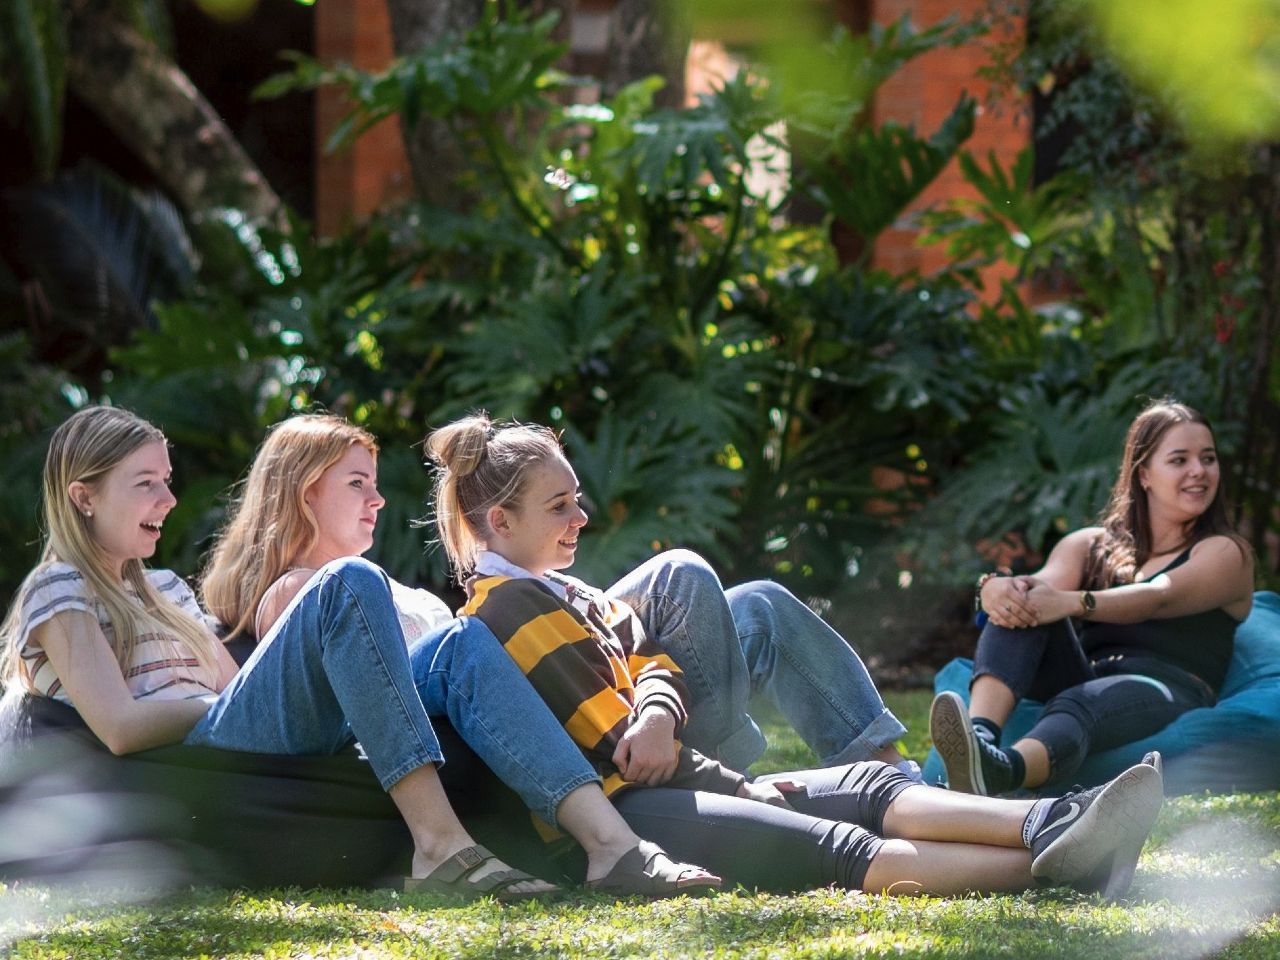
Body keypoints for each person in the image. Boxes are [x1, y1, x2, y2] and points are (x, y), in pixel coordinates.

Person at [421, 412, 1167, 898]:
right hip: (632, 810)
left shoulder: (564, 590)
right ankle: (1064, 871)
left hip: (672, 779)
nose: (582, 516)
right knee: (843, 847)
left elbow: (650, 657)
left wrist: (658, 706)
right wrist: (740, 786)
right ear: (499, 520)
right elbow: (620, 752)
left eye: (577, 498)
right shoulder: (511, 610)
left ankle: (1056, 820)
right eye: (561, 507)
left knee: (871, 784)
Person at [1, 406, 718, 900]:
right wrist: (206, 704)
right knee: (348, 580)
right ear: (84, 498)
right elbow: (121, 727)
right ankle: (438, 847)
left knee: (461, 641)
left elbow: (237, 684)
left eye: (166, 478)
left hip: (232, 728)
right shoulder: (58, 588)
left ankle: (611, 846)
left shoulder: (162, 587)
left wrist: (230, 696)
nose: (166, 496)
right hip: (201, 752)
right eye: (145, 484)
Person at [929, 399, 1255, 796]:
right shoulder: (1090, 546)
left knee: (1079, 702)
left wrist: (1072, 602)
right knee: (1025, 606)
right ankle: (977, 741)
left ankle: (1001, 771)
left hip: (1164, 686)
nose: (1198, 472)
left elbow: (1159, 596)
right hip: (1088, 672)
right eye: (1180, 460)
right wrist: (996, 587)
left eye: (1208, 458)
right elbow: (1037, 588)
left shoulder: (1224, 552)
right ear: (1145, 474)